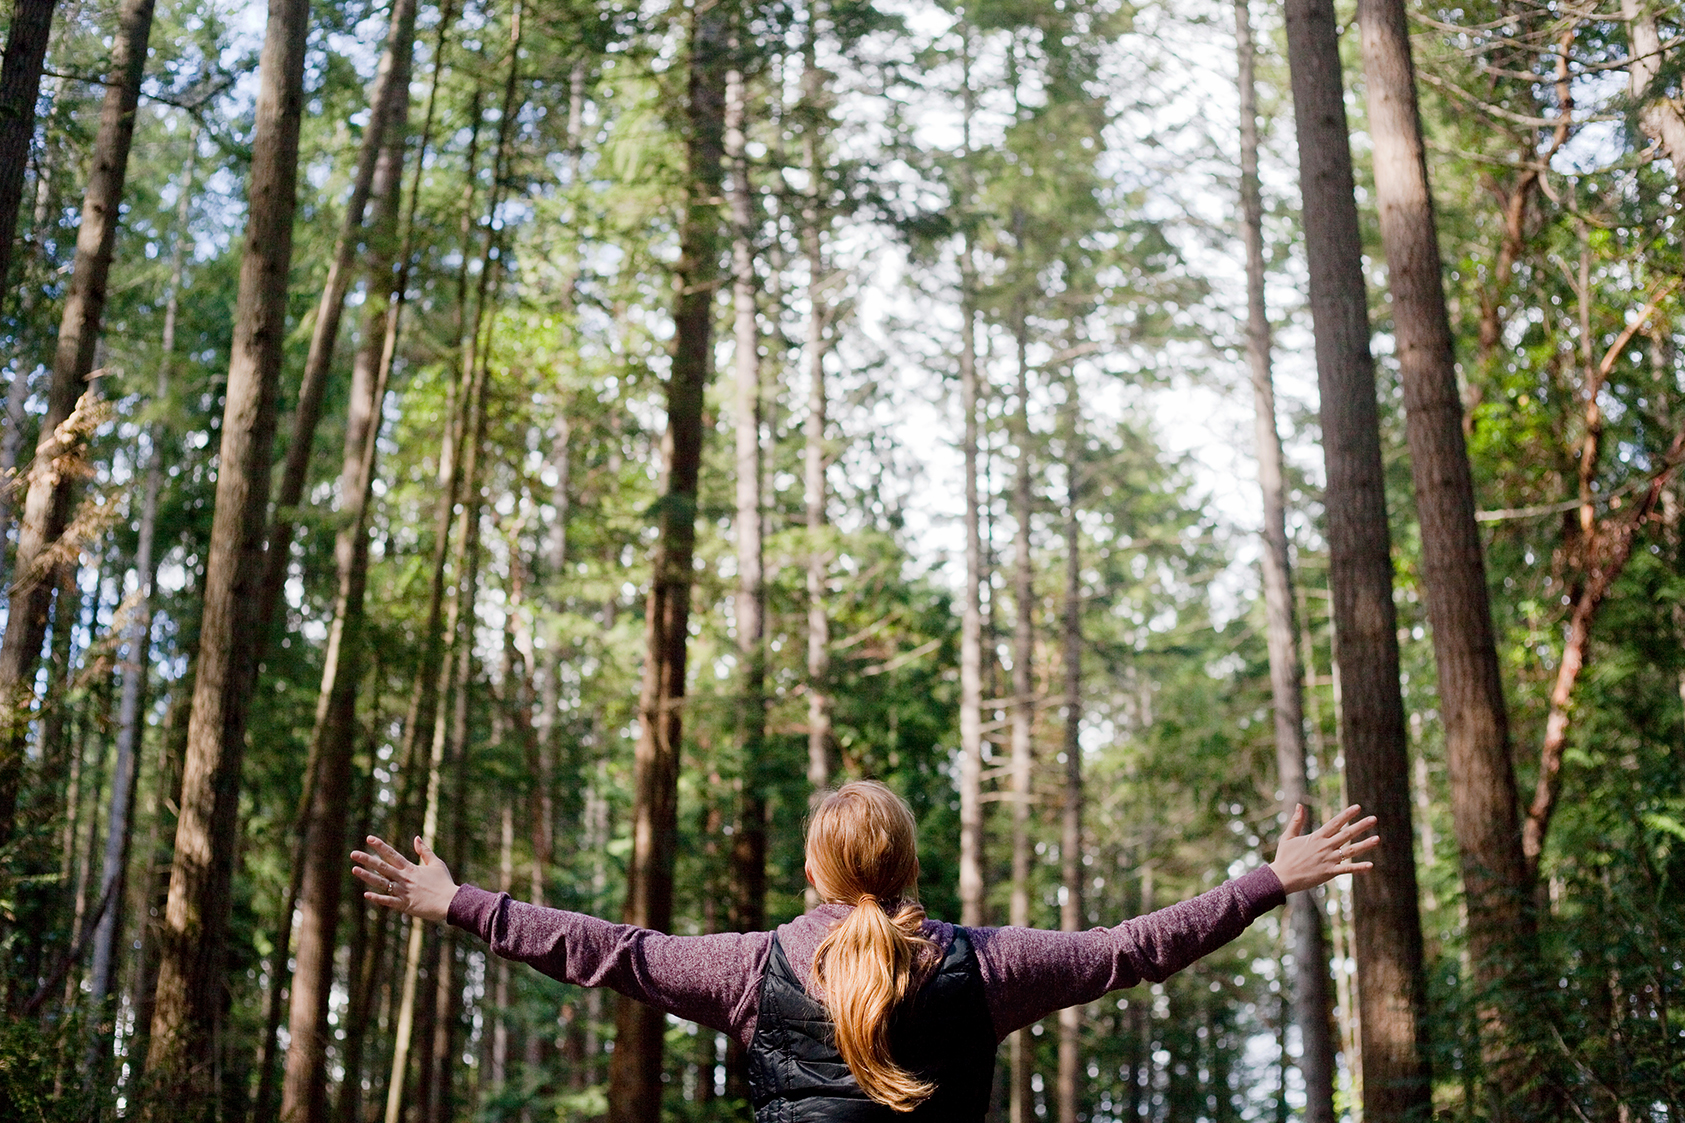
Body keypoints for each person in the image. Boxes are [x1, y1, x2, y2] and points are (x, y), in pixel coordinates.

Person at [351, 780, 1377, 1120]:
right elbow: (1132, 947)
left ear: (812, 874)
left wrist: (459, 902)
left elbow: (611, 951)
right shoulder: (990, 964)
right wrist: (1268, 879)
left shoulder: (748, 969)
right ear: (910, 866)